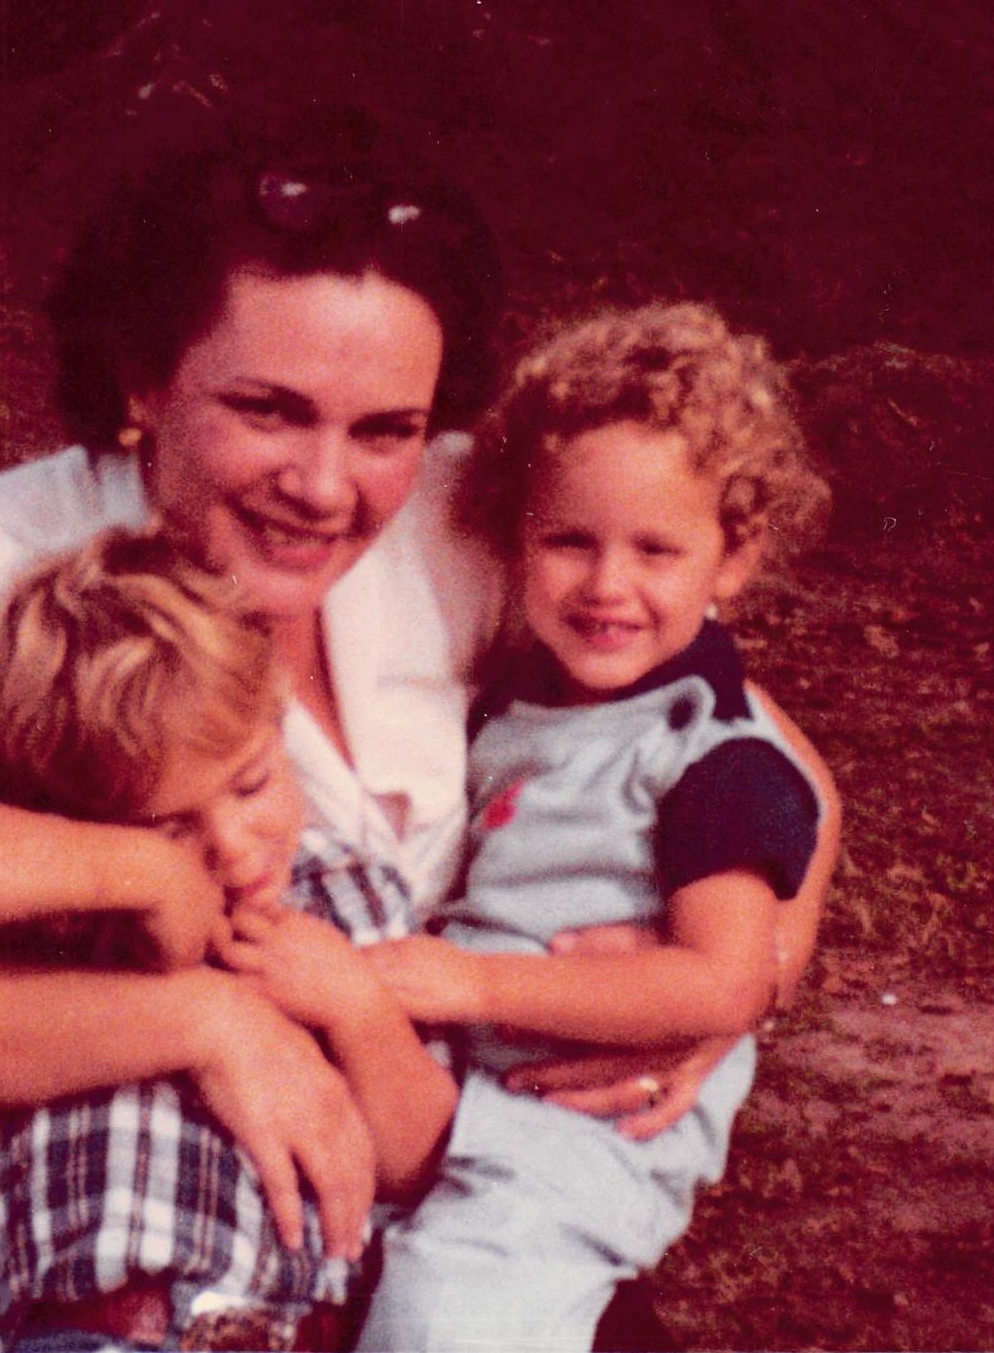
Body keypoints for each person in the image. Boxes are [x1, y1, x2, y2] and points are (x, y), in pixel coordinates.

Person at [0, 105, 840, 1350]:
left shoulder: (455, 527)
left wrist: (721, 997)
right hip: (17, 1143)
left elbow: (773, 761)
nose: (326, 487)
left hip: (383, 1142)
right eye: (269, 409)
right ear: (142, 379)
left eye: (385, 429)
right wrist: (207, 1020)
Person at [354, 304, 831, 1352]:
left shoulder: (712, 756)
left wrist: (472, 984)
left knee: (443, 1323)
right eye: (568, 540)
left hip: (582, 1136)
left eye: (656, 550)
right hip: (467, 1097)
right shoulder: (527, 701)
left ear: (733, 558)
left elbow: (722, 980)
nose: (607, 585)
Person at [0, 526, 455, 1351]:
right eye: (167, 825)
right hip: (105, 1330)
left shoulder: (353, 892)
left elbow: (423, 1162)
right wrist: (143, 872)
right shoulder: (74, 912)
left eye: (251, 782)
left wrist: (361, 1011)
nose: (231, 846)